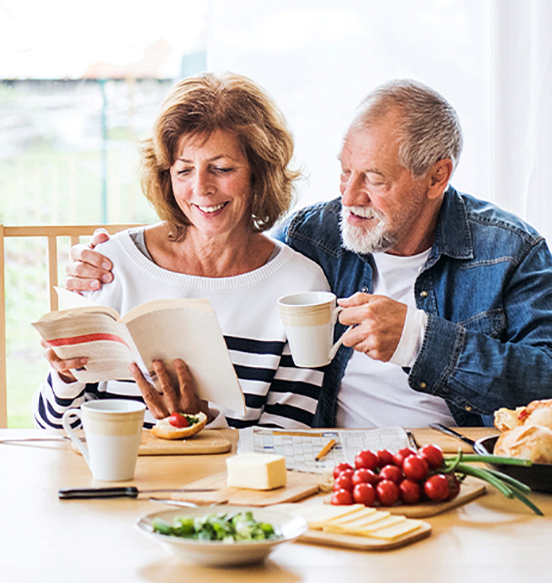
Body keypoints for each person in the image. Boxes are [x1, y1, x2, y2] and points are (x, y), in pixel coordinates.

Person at [64, 79, 552, 428]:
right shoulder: (316, 235)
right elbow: (222, 265)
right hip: (328, 465)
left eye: (375, 179)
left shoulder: (508, 250)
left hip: (460, 465)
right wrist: (111, 261)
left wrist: (418, 339)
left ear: (438, 176)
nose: (350, 196)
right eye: (345, 171)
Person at [34, 72, 330, 431]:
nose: (201, 189)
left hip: (230, 485)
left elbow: (288, 436)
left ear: (260, 172)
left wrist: (201, 426)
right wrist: (65, 378)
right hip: (120, 479)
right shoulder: (111, 265)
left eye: (221, 169)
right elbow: (52, 426)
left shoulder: (300, 286)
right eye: (184, 170)